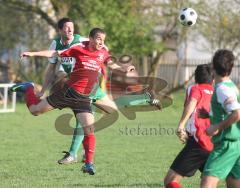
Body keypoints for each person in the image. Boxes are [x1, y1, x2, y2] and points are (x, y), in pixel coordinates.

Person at [11, 28, 121, 175]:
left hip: (83, 98)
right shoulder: (78, 49)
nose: (102, 42)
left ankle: (88, 164)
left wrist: (125, 69)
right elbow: (54, 54)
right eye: (99, 39)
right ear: (91, 38)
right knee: (35, 110)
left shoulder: (103, 53)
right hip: (68, 93)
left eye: (103, 39)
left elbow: (112, 64)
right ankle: (29, 87)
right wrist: (33, 53)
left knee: (90, 130)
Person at [164, 64, 214, 188]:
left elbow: (192, 104)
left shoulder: (195, 88)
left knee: (170, 181)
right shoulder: (217, 91)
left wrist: (181, 125)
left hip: (199, 142)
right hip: (215, 142)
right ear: (212, 79)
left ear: (196, 78)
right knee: (208, 183)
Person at [200, 49, 240, 188]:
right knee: (233, 181)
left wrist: (216, 126)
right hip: (236, 143)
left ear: (213, 66)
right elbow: (229, 111)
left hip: (226, 144)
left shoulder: (222, 89)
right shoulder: (232, 87)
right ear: (231, 67)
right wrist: (209, 115)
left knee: (207, 182)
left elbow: (236, 114)